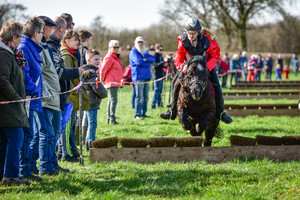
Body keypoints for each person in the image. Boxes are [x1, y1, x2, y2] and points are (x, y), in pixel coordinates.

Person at [160, 18, 233, 124]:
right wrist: (182, 67)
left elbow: (216, 55)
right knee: (175, 84)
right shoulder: (182, 42)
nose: (191, 35)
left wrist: (207, 67)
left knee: (217, 86)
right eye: (189, 33)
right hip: (188, 68)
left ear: (198, 32)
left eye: (194, 33)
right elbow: (178, 60)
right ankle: (172, 111)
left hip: (205, 67)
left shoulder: (207, 41)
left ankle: (221, 113)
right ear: (186, 32)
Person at [35, 16, 69, 174]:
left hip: (54, 96)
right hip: (46, 97)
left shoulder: (45, 46)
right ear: (44, 29)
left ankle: (52, 164)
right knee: (44, 135)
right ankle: (42, 167)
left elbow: (52, 73)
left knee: (54, 132)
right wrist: (78, 71)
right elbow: (51, 72)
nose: (49, 32)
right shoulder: (41, 47)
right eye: (48, 29)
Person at [18, 17, 51, 178]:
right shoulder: (24, 48)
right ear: (35, 34)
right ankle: (23, 170)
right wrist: (33, 91)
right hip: (28, 98)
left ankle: (28, 168)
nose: (43, 35)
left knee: (30, 134)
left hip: (34, 98)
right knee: (27, 135)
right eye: (42, 32)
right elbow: (25, 74)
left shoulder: (32, 47)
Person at [47, 17, 84, 162]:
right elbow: (60, 72)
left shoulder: (59, 49)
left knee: (62, 127)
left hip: (66, 93)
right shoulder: (60, 51)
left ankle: (55, 160)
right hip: (65, 93)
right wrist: (78, 72)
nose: (78, 44)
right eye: (76, 41)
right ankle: (61, 154)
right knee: (61, 128)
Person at [0, 20, 30, 185]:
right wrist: (16, 97)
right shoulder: (4, 54)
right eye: (20, 37)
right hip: (8, 106)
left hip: (10, 106)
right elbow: (2, 80)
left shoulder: (9, 53)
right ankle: (11, 176)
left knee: (6, 140)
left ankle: (4, 175)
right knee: (15, 139)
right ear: (13, 37)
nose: (21, 41)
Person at [61, 30, 90, 160]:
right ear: (67, 41)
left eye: (78, 40)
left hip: (74, 91)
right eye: (75, 40)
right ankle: (65, 152)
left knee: (72, 123)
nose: (78, 42)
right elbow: (68, 74)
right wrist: (78, 81)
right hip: (70, 93)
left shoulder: (74, 53)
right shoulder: (66, 55)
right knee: (68, 125)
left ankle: (72, 149)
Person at [83, 49, 107, 150]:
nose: (98, 61)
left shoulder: (88, 70)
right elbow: (97, 87)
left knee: (88, 122)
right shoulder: (92, 72)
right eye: (95, 59)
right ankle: (90, 143)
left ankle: (87, 142)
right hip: (91, 102)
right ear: (88, 60)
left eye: (99, 59)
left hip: (88, 101)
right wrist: (104, 93)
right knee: (92, 124)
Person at [129, 36, 155, 119]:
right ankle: (137, 114)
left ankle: (143, 113)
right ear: (135, 43)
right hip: (138, 77)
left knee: (145, 96)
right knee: (139, 97)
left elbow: (152, 59)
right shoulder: (133, 51)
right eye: (138, 42)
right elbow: (138, 61)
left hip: (146, 76)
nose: (140, 43)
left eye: (141, 42)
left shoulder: (145, 51)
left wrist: (146, 59)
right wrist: (147, 63)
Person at [100, 40, 123, 124]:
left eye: (117, 47)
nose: (116, 49)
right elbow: (103, 70)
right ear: (110, 48)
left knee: (111, 100)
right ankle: (111, 119)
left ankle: (110, 118)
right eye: (114, 47)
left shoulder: (114, 57)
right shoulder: (109, 57)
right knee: (113, 100)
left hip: (115, 82)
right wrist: (102, 80)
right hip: (111, 82)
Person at [151, 44, 167, 108]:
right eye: (160, 49)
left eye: (162, 50)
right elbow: (155, 65)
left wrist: (165, 64)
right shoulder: (154, 56)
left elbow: (161, 65)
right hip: (156, 75)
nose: (161, 51)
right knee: (156, 90)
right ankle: (153, 105)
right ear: (156, 49)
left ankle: (160, 104)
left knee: (160, 90)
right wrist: (163, 62)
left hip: (161, 75)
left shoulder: (160, 56)